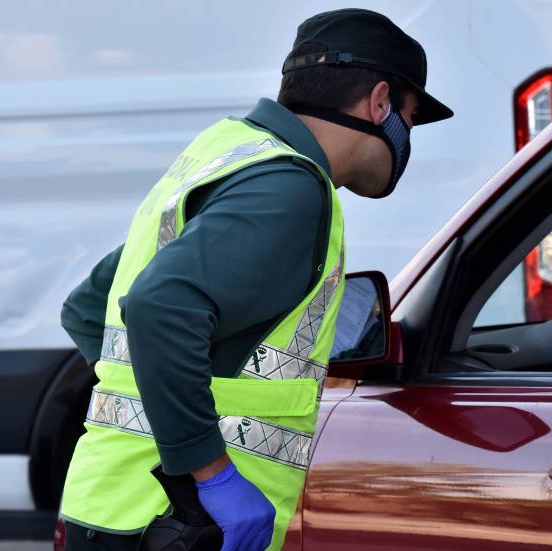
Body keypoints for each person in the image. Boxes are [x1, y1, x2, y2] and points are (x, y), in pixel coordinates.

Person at [56, 8, 452, 551]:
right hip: (173, 522)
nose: (406, 135)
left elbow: (88, 305)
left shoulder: (228, 157)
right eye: (408, 116)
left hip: (112, 505)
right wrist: (209, 472)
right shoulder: (288, 188)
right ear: (379, 102)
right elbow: (159, 308)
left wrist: (153, 405)